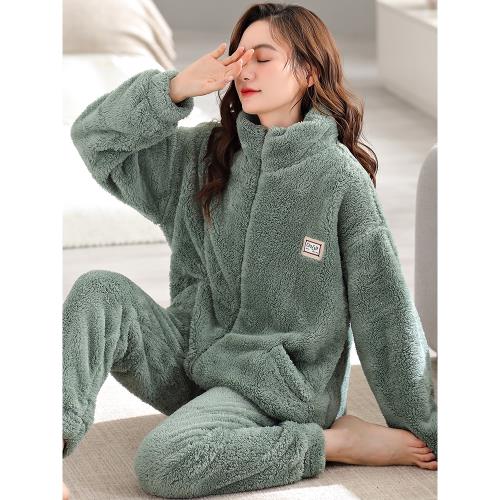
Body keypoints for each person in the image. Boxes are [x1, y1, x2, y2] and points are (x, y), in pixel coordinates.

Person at [63, 3, 437, 498]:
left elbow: (384, 312)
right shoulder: (205, 155)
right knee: (99, 292)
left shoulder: (338, 179)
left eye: (262, 58)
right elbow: (93, 139)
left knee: (164, 462)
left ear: (308, 71)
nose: (245, 71)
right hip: (193, 356)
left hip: (278, 389)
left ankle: (330, 443)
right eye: (240, 58)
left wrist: (423, 430)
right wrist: (176, 87)